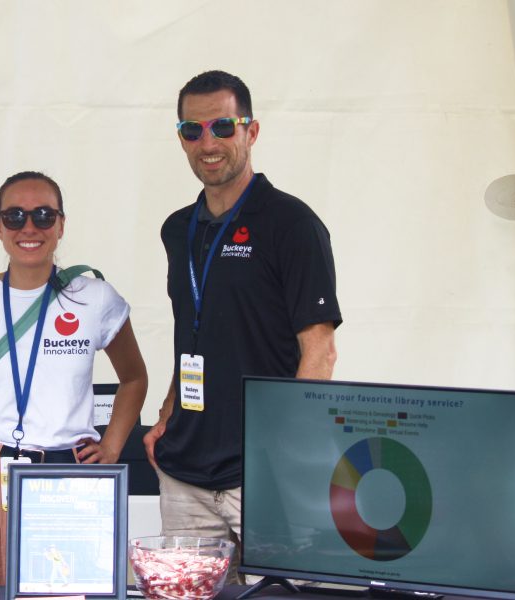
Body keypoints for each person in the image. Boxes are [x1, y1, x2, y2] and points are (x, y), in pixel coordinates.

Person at [143, 71, 342, 582]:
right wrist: (167, 414)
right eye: (193, 130)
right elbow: (193, 331)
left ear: (251, 132)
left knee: (289, 593)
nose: (208, 143)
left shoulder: (292, 224)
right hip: (185, 473)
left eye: (222, 126)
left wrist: (289, 458)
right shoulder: (176, 229)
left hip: (263, 474)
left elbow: (318, 353)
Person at [0, 171, 148, 585]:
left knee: (72, 592)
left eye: (42, 215)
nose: (29, 228)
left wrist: (111, 445)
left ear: (61, 224)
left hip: (69, 474)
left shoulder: (95, 298)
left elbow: (134, 378)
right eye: (15, 217)